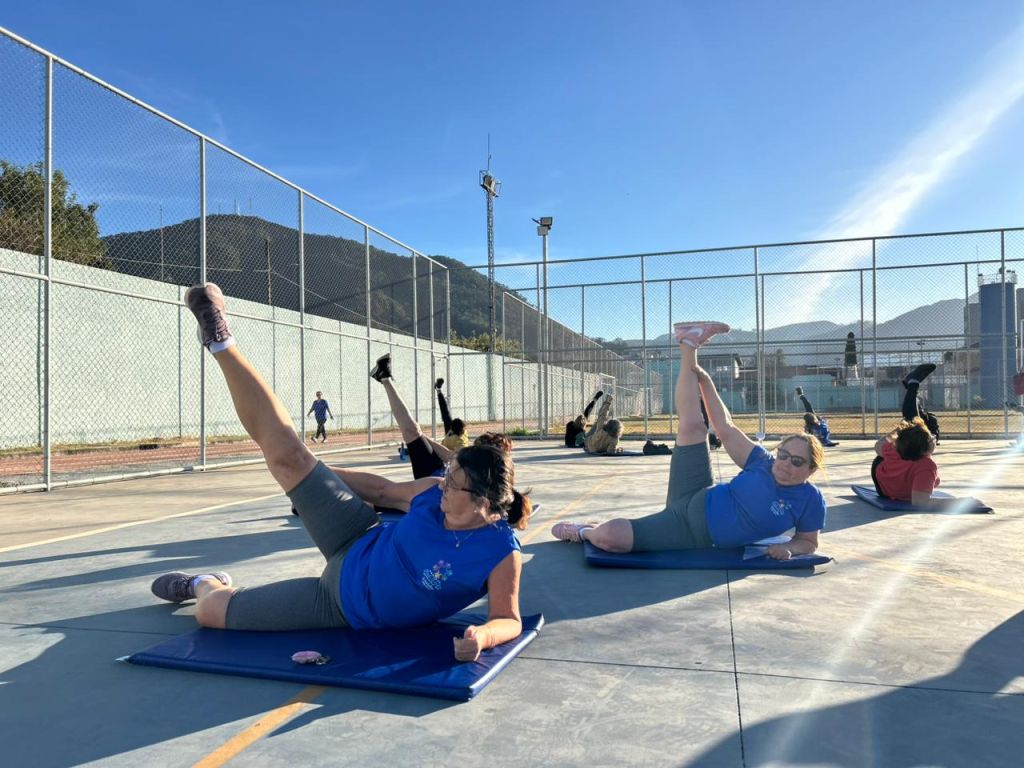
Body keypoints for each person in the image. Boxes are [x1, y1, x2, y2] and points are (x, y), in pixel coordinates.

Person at [151, 284, 531, 662]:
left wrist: (483, 636)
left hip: (336, 606)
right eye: (447, 475)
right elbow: (382, 492)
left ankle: (202, 582)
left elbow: (507, 619)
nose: (443, 485)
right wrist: (311, 470)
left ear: (483, 503)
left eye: (453, 484)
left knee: (211, 613)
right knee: (289, 458)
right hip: (356, 536)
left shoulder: (500, 552)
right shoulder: (433, 491)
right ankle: (221, 342)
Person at [551, 321, 826, 561]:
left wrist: (790, 548)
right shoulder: (762, 462)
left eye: (797, 461)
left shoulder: (810, 499)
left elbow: (808, 542)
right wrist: (706, 383)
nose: (785, 463)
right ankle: (689, 342)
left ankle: (583, 531)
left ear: (811, 469)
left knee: (609, 539)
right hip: (697, 491)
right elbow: (725, 428)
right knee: (693, 427)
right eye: (783, 454)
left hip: (686, 530)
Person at [868, 364, 941, 504]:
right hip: (886, 489)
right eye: (932, 439)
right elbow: (919, 501)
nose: (934, 438)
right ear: (925, 449)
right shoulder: (927, 465)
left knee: (919, 421)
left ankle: (912, 385)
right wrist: (962, 503)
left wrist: (901, 429)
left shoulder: (898, 449)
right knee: (922, 421)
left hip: (883, 485)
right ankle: (912, 384)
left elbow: (878, 446)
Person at [434, 378, 470, 451]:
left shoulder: (453, 436)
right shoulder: (458, 441)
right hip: (452, 446)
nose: (464, 429)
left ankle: (438, 390)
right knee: (445, 413)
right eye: (463, 428)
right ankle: (438, 390)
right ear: (460, 431)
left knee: (445, 413)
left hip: (450, 436)